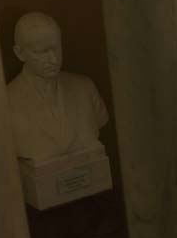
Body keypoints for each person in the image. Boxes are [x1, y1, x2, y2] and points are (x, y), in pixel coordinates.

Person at [7, 12, 108, 163]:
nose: (53, 59)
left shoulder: (85, 88)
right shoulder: (7, 101)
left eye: (56, 48)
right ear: (20, 53)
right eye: (41, 52)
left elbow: (100, 120)